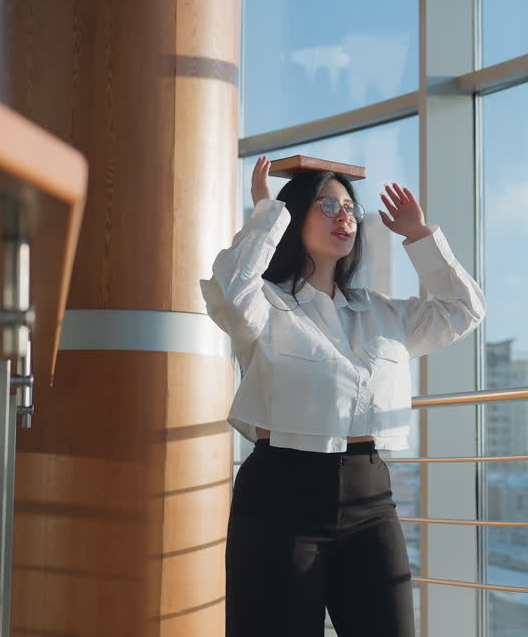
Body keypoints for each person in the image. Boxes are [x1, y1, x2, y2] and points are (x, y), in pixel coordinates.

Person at [201, 155, 485, 636]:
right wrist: (266, 214)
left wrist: (420, 237)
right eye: (327, 206)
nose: (345, 217)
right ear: (294, 217)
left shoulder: (380, 312)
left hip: (369, 497)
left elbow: (464, 310)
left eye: (350, 208)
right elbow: (227, 292)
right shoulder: (264, 304)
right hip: (279, 497)